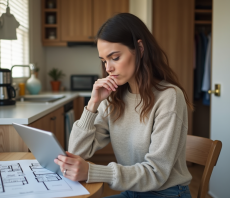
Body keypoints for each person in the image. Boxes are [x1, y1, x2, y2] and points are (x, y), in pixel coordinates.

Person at [54, 13, 193, 198]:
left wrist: (92, 172)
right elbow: (77, 152)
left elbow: (157, 173)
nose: (108, 68)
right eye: (104, 60)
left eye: (115, 57)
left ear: (140, 48)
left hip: (166, 193)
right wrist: (93, 104)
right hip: (133, 191)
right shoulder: (113, 98)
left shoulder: (169, 97)